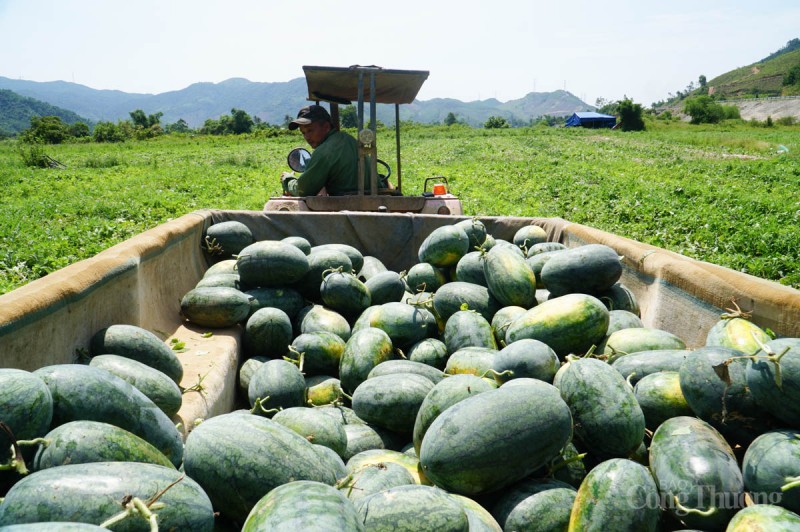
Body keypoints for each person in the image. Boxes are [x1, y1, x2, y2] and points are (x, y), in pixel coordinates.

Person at [280, 105, 359, 197]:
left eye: (310, 130)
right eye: (303, 132)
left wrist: (287, 179)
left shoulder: (324, 151)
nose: (307, 137)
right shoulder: (349, 139)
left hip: (347, 204)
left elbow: (302, 191)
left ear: (326, 127)